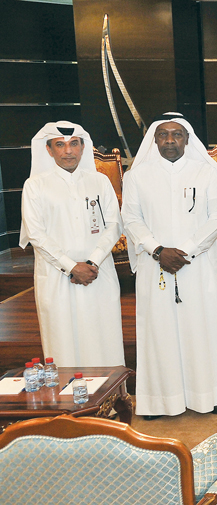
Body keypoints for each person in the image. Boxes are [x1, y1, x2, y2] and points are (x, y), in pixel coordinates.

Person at [121, 112, 217, 419]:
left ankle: (211, 395)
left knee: (203, 327)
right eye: (163, 135)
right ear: (154, 139)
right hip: (154, 264)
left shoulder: (207, 172)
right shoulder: (137, 175)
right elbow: (131, 218)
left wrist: (184, 250)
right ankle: (160, 401)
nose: (170, 141)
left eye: (177, 135)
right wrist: (158, 250)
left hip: (196, 263)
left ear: (187, 139)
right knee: (158, 330)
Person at [19, 121, 125, 367]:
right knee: (63, 338)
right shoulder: (35, 185)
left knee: (104, 334)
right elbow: (36, 233)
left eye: (74, 144)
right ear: (49, 150)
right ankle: (70, 401)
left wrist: (92, 261)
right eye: (60, 145)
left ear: (83, 147)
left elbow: (114, 225)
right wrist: (70, 266)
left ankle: (109, 398)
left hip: (99, 272)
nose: (68, 151)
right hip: (57, 275)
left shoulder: (100, 181)